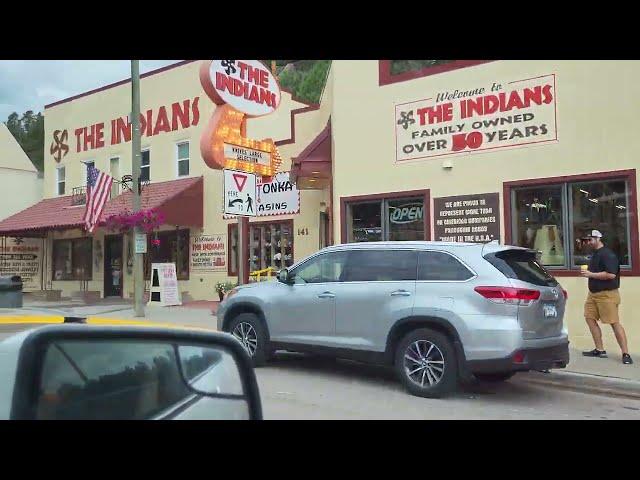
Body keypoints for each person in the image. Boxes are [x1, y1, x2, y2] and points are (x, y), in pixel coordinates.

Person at [581, 230, 633, 364]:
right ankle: (600, 349)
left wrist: (590, 274)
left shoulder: (607, 254)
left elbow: (611, 275)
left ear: (598, 239)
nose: (588, 243)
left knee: (614, 323)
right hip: (593, 294)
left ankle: (625, 353)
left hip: (607, 294)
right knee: (589, 318)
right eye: (587, 240)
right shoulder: (594, 254)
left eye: (590, 240)